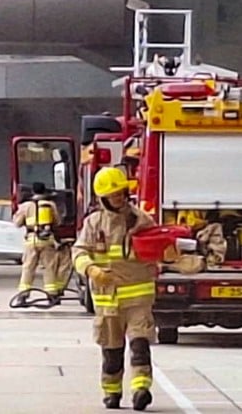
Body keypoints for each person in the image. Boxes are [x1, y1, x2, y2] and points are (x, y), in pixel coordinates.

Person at [72, 166, 158, 411]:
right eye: (114, 193)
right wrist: (91, 270)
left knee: (140, 345)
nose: (119, 196)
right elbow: (78, 251)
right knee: (112, 352)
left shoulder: (141, 220)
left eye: (121, 191)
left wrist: (169, 253)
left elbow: (157, 248)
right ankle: (112, 392)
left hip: (139, 297)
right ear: (103, 197)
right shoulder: (94, 223)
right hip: (107, 301)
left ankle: (141, 389)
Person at [13, 182, 62, 301]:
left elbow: (17, 223)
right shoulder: (50, 204)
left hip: (32, 240)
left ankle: (23, 295)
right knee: (49, 267)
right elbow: (58, 222)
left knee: (28, 267)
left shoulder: (26, 206)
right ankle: (52, 294)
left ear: (32, 191)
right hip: (47, 240)